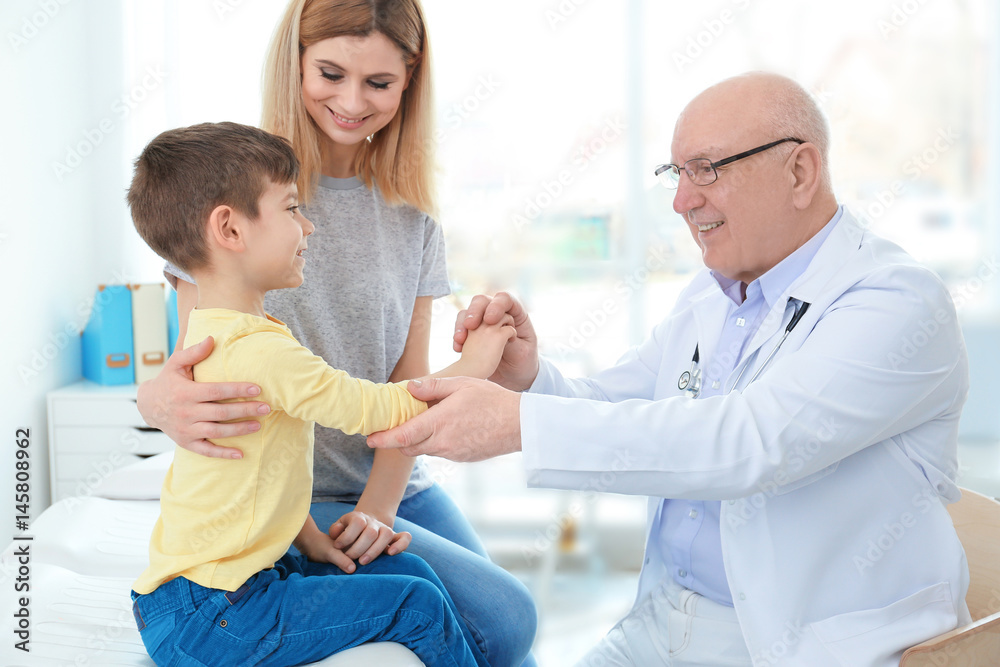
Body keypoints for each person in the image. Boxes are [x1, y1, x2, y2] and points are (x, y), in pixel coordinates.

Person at [367, 72, 973, 667]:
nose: (683, 201)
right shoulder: (713, 294)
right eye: (677, 173)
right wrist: (528, 377)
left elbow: (753, 442)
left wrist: (517, 422)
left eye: (707, 169)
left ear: (800, 171)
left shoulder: (896, 302)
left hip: (800, 643)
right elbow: (615, 404)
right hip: (663, 625)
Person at [134, 2, 537, 665]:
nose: (352, 102)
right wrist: (153, 399)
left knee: (509, 628)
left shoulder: (414, 218)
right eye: (330, 73)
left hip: (392, 473)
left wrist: (378, 507)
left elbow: (407, 381)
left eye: (378, 83)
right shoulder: (235, 190)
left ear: (409, 81)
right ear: (294, 63)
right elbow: (196, 363)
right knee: (499, 625)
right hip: (291, 493)